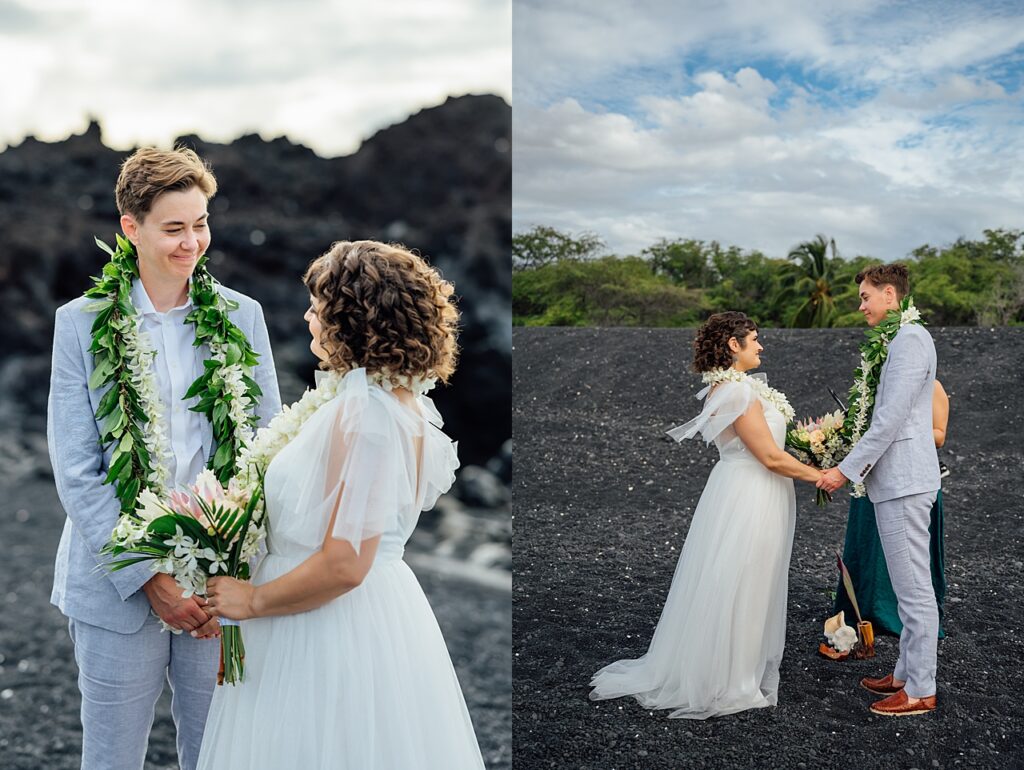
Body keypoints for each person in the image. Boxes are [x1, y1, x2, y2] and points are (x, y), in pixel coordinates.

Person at [195, 241, 485, 769]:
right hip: (346, 615)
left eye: (317, 305)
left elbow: (347, 561)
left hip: (325, 626)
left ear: (350, 317)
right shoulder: (397, 405)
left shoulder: (368, 416)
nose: (307, 316)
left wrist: (252, 601)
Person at [48, 147, 282, 770]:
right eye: (174, 228)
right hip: (114, 588)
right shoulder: (79, 323)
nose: (191, 243)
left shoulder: (243, 316)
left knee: (218, 754)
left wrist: (222, 567)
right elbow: (77, 470)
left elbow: (265, 450)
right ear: (131, 228)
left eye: (200, 224)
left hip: (218, 584)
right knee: (112, 758)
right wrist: (151, 578)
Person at [589, 312, 822, 719]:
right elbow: (767, 456)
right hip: (750, 493)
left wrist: (811, 446)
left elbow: (773, 446)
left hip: (754, 489)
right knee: (744, 579)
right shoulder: (735, 393)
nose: (761, 345)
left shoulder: (741, 388)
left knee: (746, 577)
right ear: (734, 345)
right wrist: (821, 476)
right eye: (754, 339)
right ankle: (731, 681)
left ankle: (733, 668)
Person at [819, 263, 941, 717]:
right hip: (899, 482)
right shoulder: (904, 338)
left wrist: (844, 471)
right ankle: (906, 673)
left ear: (890, 294)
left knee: (914, 590)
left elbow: (889, 419)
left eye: (866, 297)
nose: (861, 306)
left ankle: (921, 689)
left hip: (905, 483)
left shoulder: (910, 341)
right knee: (909, 584)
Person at [835, 380, 949, 638]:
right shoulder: (876, 387)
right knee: (866, 541)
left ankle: (900, 613)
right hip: (874, 474)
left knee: (909, 549)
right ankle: (861, 607)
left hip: (911, 478)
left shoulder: (933, 387)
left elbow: (939, 435)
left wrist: (893, 433)